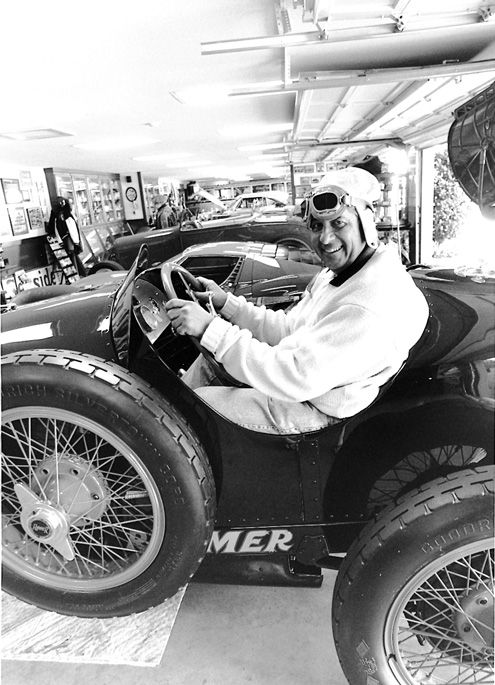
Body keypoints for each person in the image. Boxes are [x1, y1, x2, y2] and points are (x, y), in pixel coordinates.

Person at [165, 168, 429, 434]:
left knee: (198, 407)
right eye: (317, 226)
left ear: (366, 224)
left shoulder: (368, 304)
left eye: (338, 223)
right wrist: (227, 305)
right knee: (205, 366)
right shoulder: (343, 273)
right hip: (306, 384)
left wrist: (210, 329)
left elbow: (294, 373)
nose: (325, 238)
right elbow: (289, 329)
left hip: (315, 407)